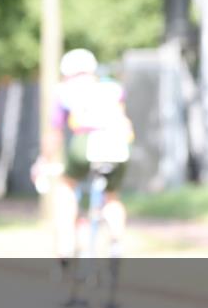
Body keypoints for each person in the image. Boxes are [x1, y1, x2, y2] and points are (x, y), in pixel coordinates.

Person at [32, 48, 133, 272]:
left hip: (87, 142)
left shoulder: (65, 91)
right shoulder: (112, 87)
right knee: (112, 197)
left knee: (66, 186)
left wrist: (43, 161)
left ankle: (66, 245)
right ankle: (116, 240)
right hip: (119, 144)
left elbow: (54, 134)